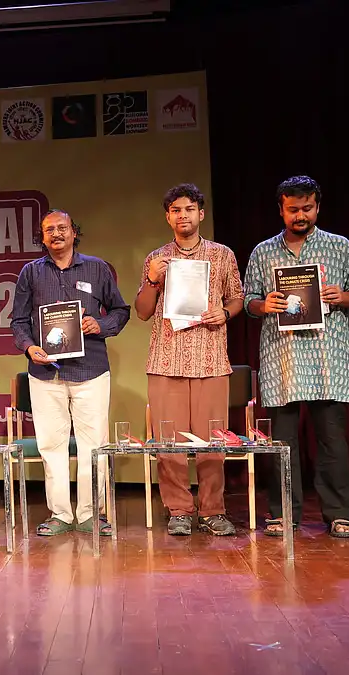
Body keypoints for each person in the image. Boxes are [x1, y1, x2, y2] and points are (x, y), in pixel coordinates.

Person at [243, 176, 349, 538]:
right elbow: (248, 299)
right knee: (282, 444)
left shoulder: (340, 247)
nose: (301, 215)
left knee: (332, 440)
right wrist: (263, 303)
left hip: (327, 359)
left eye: (307, 208)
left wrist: (339, 297)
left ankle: (339, 514)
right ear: (281, 209)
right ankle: (283, 514)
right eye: (293, 209)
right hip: (282, 360)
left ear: (318, 206)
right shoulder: (263, 252)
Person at [11, 209, 130, 537]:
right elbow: (18, 321)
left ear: (74, 232)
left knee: (94, 445)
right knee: (51, 445)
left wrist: (100, 324)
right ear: (42, 236)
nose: (56, 234)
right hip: (45, 371)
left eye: (62, 228)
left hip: (90, 370)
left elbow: (121, 310)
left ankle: (92, 514)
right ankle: (61, 514)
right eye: (49, 230)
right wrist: (28, 347)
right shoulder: (30, 273)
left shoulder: (96, 268)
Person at [135, 183, 244, 536]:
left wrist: (224, 313)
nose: (183, 215)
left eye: (189, 209)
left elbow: (238, 298)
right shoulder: (156, 259)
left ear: (201, 213)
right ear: (168, 217)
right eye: (176, 210)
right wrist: (152, 280)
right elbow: (141, 311)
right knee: (170, 443)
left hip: (210, 358)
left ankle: (213, 510)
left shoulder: (222, 255)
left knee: (213, 442)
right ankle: (179, 510)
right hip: (166, 361)